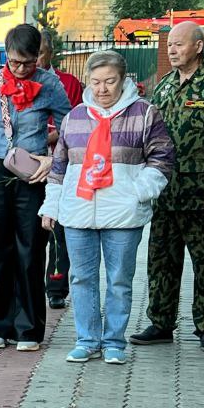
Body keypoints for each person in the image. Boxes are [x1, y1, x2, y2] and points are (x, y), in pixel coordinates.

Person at [39, 50, 175, 364]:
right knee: (82, 279)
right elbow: (59, 168)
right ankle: (87, 339)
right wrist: (52, 207)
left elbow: (162, 157)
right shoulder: (74, 117)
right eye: (96, 82)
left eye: (109, 81)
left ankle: (114, 341)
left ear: (124, 79)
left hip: (123, 214)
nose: (102, 89)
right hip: (78, 211)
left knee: (118, 280)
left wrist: (138, 191)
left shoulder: (144, 114)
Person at [130, 22, 204, 354]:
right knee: (161, 259)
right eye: (169, 45)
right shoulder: (163, 87)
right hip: (167, 191)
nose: (172, 49)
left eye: (179, 44)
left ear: (198, 46)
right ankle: (161, 322)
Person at [0, 23, 72, 350]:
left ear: (38, 56)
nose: (21, 69)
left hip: (33, 175)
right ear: (6, 56)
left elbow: (71, 126)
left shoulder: (49, 83)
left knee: (30, 249)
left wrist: (51, 161)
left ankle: (28, 329)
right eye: (15, 62)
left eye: (28, 62)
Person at [38, 29, 84, 310]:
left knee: (58, 228)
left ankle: (56, 286)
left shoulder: (68, 82)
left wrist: (53, 136)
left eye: (41, 52)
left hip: (60, 166)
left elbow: (77, 122)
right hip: (27, 168)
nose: (36, 59)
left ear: (50, 53)